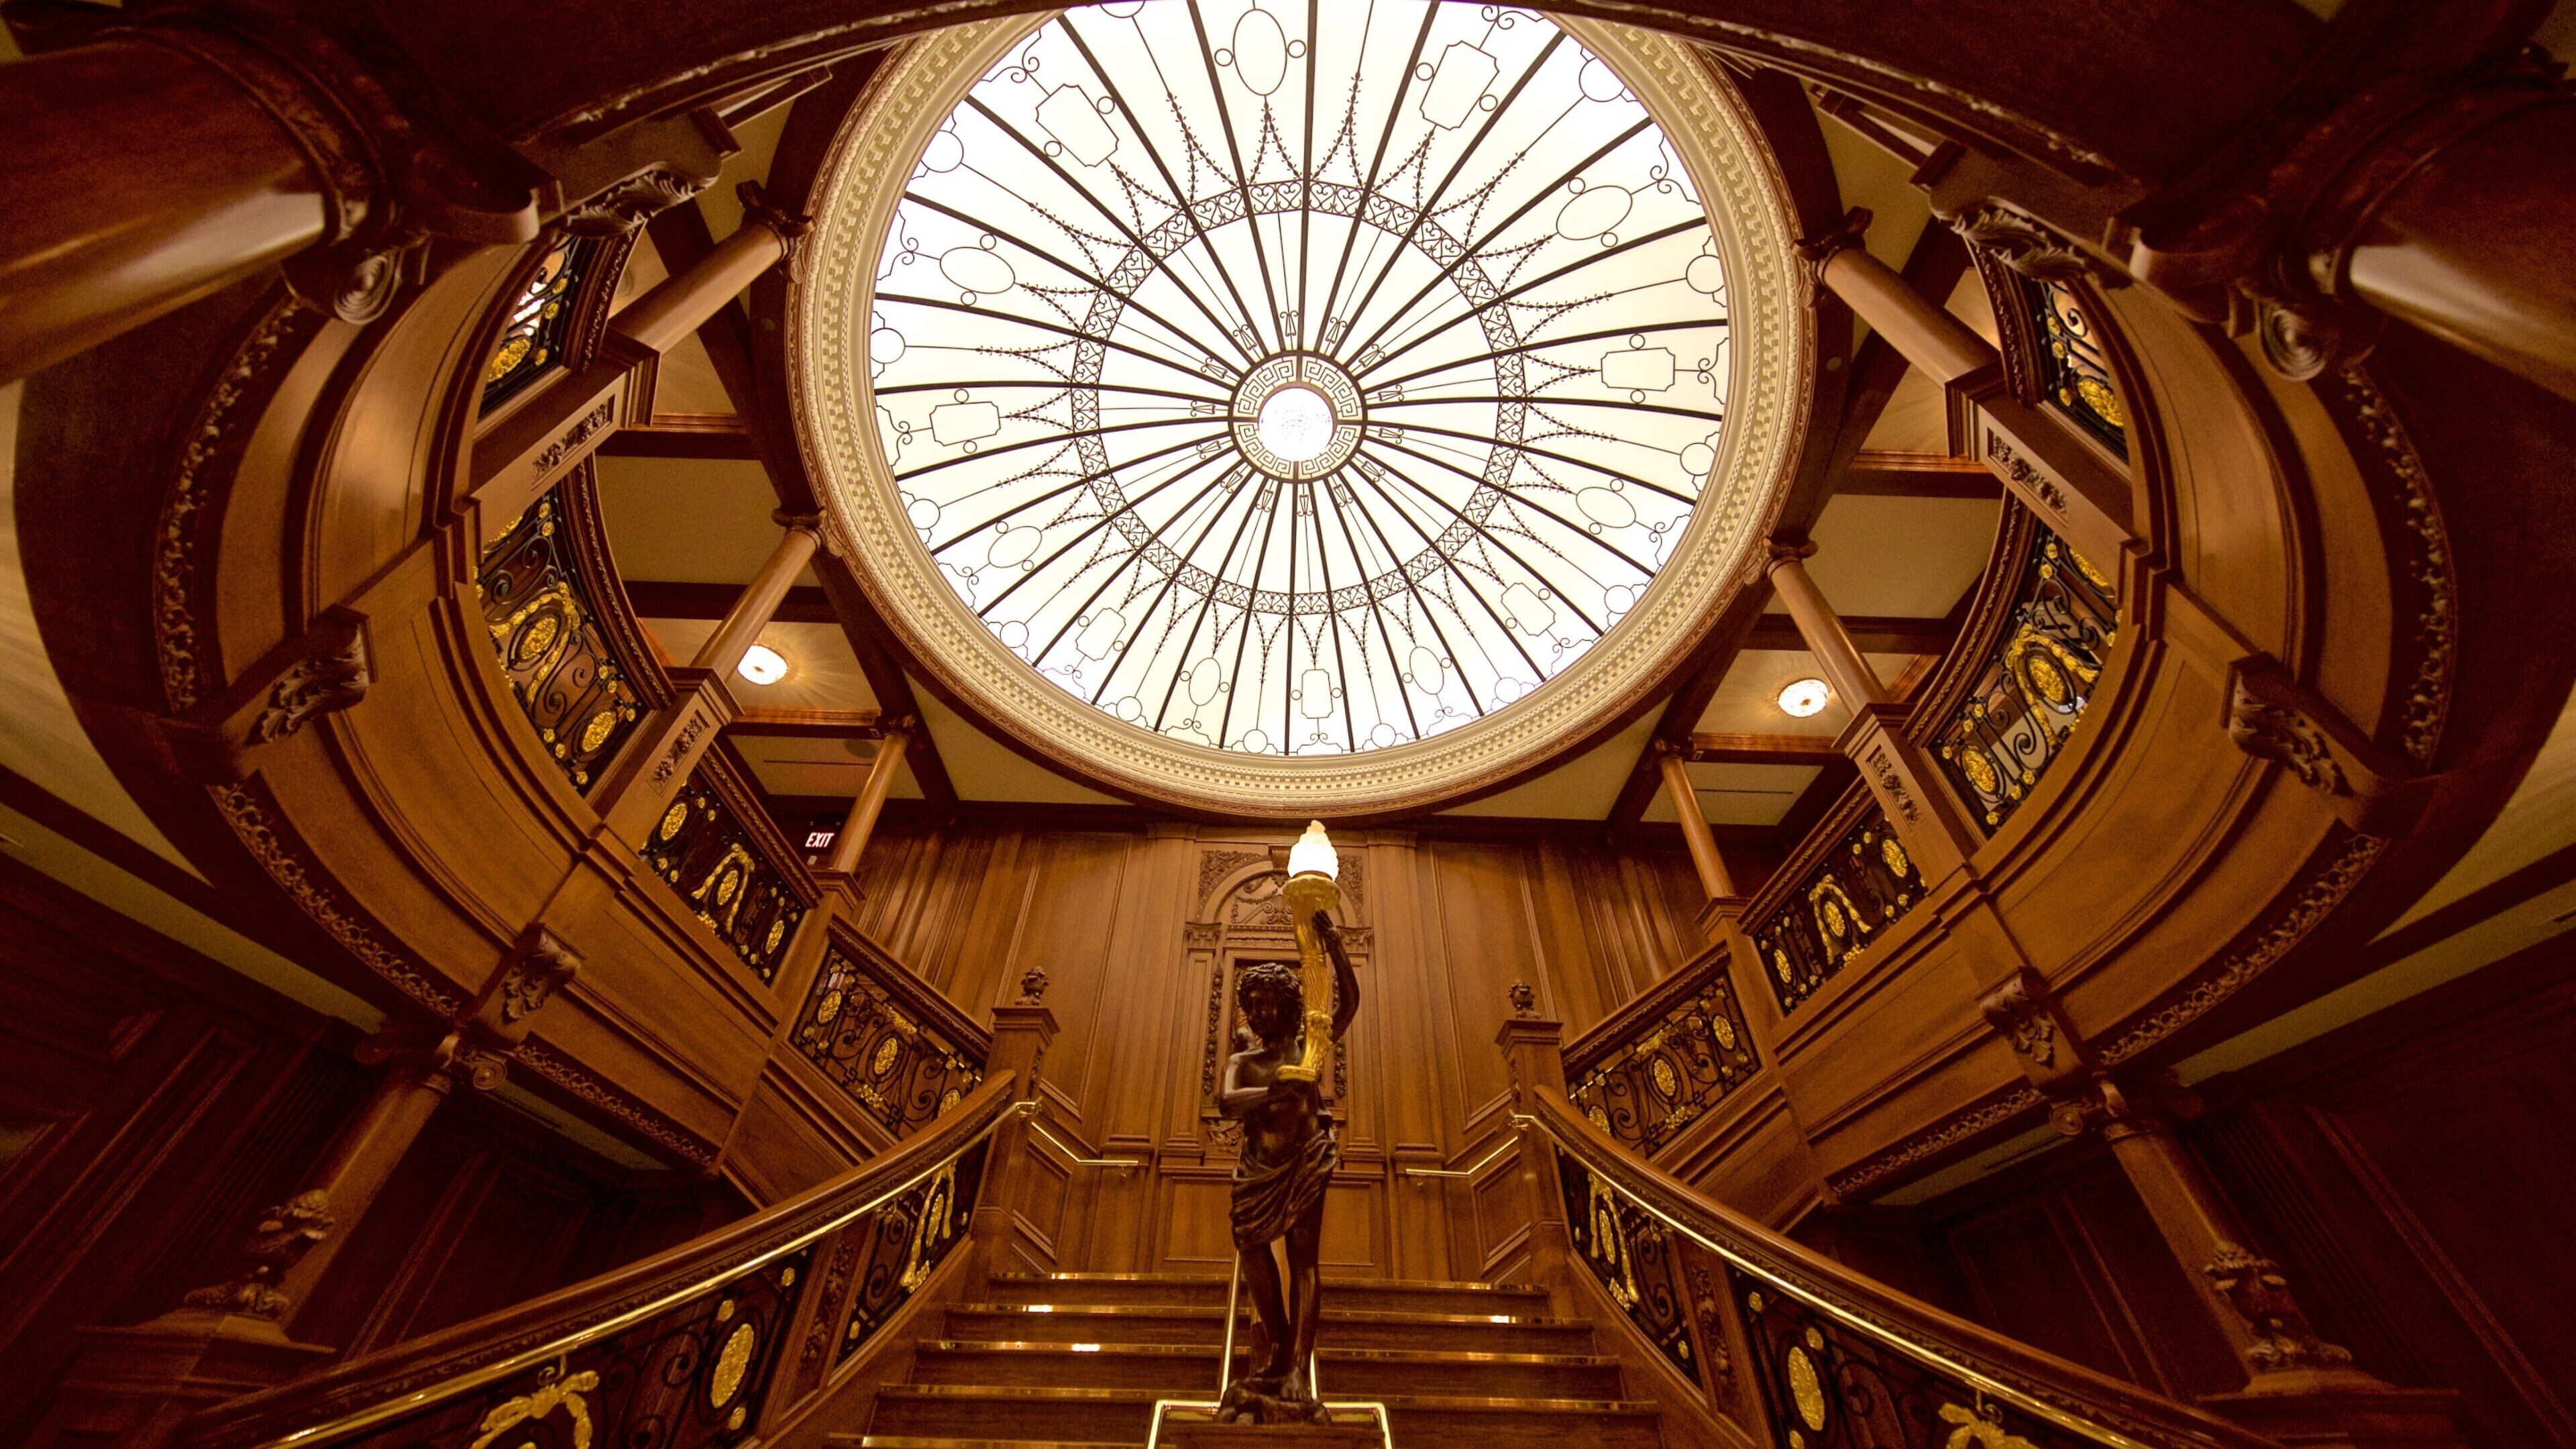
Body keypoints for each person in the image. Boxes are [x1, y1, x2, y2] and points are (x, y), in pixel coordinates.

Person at [1214, 926, 1359, 1422]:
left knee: (1304, 1261)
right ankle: (1276, 1349)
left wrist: (1335, 946)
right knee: (1253, 1251)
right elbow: (1226, 1102)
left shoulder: (1310, 1048)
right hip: (1257, 1168)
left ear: (1289, 1006)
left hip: (1305, 1162)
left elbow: (1349, 1005)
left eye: (1272, 1002)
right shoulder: (1245, 1060)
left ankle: (1298, 1366)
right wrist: (1274, 1092)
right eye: (1254, 1003)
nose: (1263, 1012)